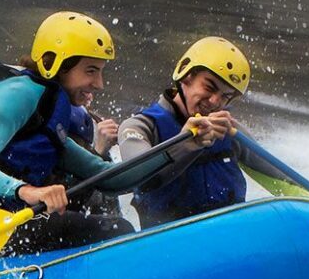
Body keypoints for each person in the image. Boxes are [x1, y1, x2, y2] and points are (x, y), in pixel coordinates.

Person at [0, 11, 164, 255]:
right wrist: (30, 191)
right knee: (115, 230)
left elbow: (108, 177)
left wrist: (184, 145)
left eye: (100, 71)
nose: (99, 83)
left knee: (106, 221)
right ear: (54, 63)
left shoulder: (46, 110)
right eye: (90, 70)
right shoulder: (19, 94)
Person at [119, 36, 286, 228]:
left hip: (229, 236)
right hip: (169, 243)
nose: (215, 102)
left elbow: (282, 178)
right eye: (209, 87)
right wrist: (184, 145)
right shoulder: (139, 126)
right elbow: (139, 178)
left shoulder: (230, 130)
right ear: (186, 76)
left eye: (225, 96)